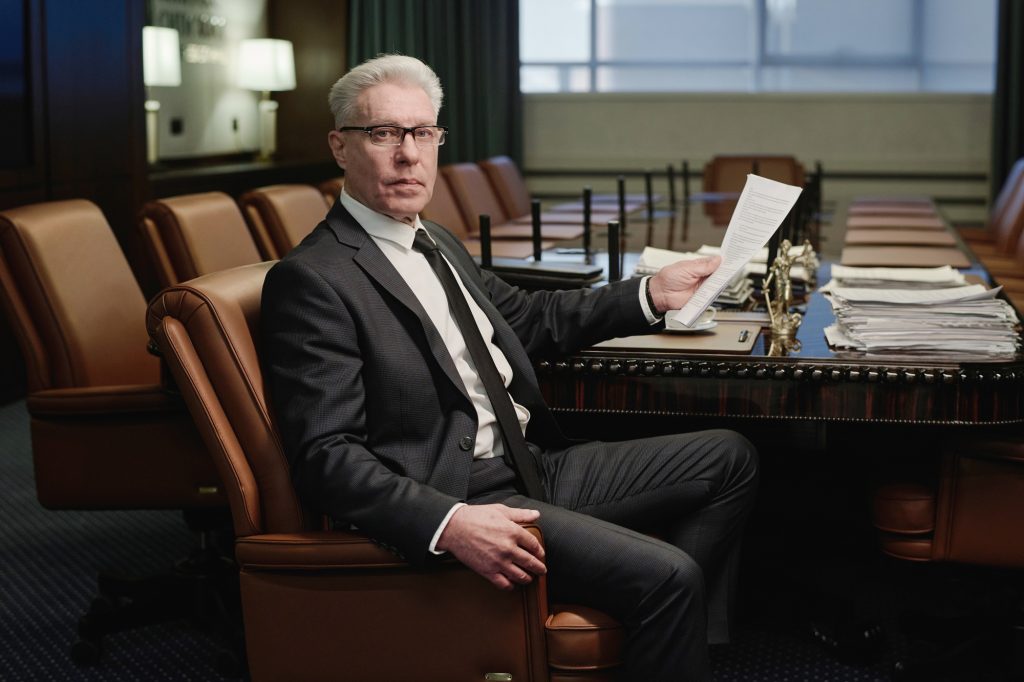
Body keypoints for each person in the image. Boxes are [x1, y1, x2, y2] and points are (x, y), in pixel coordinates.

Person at [261, 54, 758, 681]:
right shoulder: (314, 279)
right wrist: (449, 523)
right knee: (670, 574)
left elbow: (528, 319)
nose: (408, 154)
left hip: (529, 464)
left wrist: (652, 292)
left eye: (422, 133)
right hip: (465, 492)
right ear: (340, 146)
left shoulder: (434, 239)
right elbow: (326, 457)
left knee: (730, 457)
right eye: (384, 133)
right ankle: (659, 609)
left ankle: (675, 644)